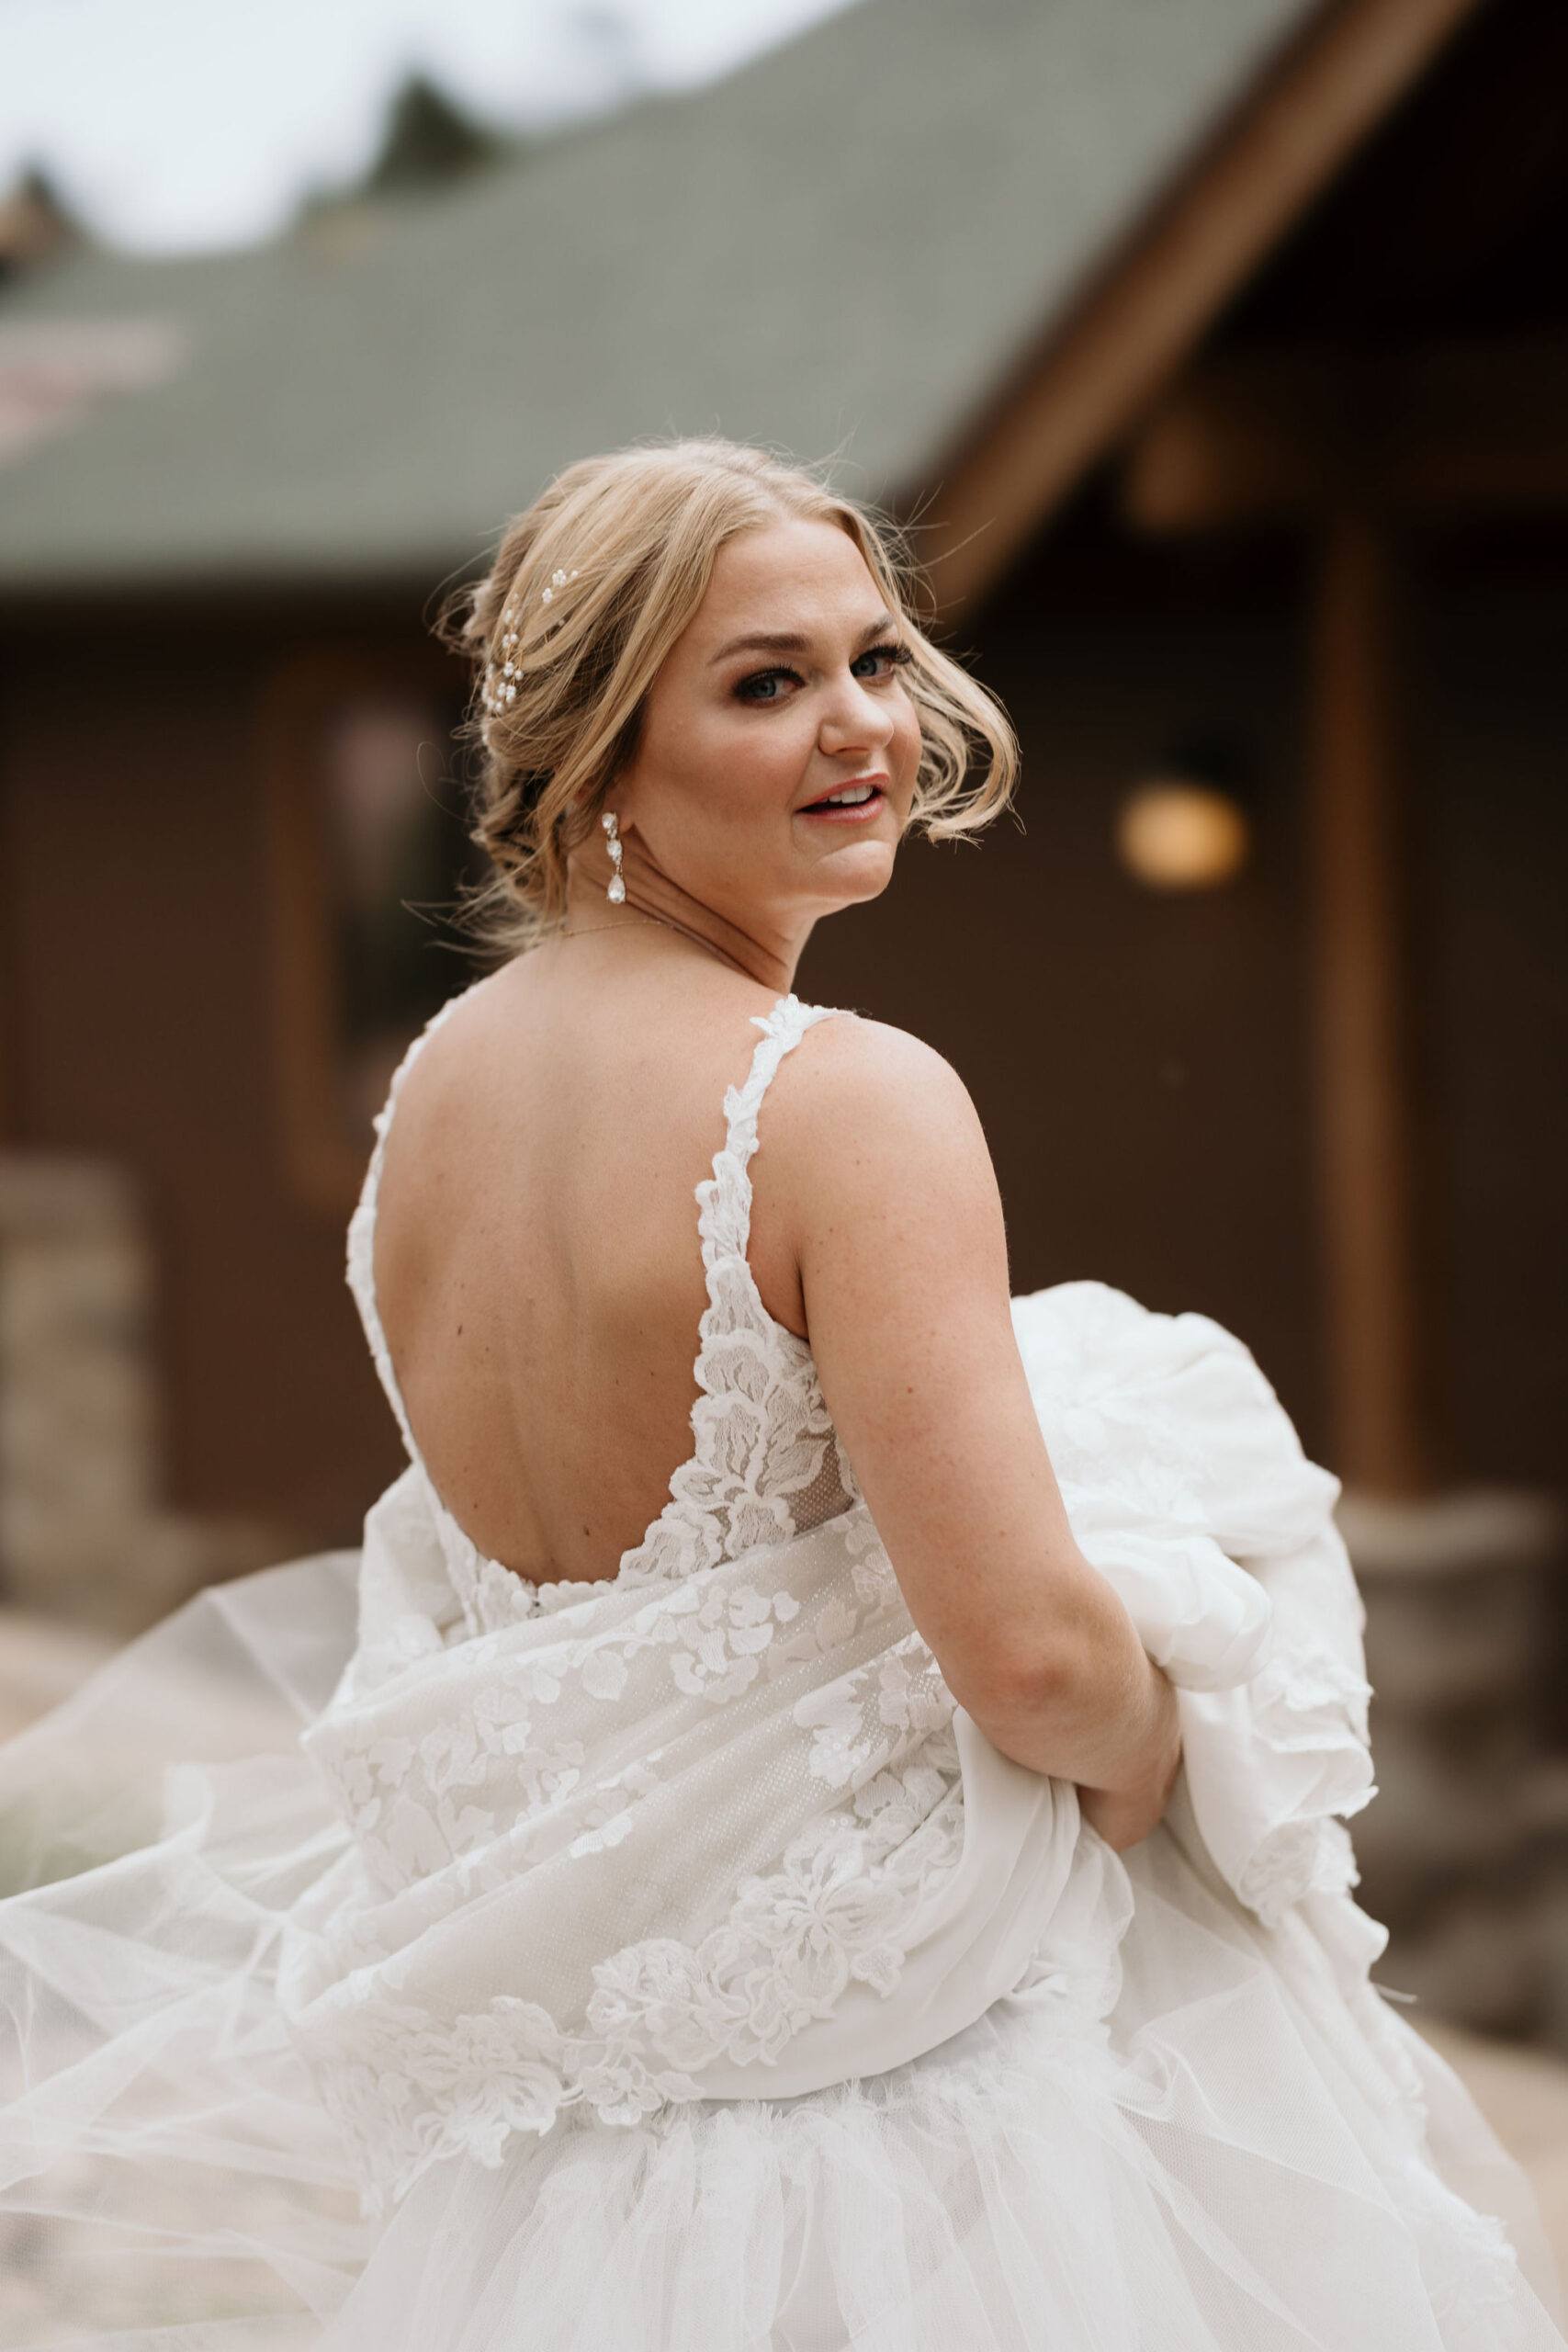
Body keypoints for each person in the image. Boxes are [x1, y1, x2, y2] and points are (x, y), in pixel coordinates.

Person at [0, 439, 1560, 2351]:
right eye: (764, 682)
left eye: (875, 659)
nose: (859, 727)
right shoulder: (844, 1098)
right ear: (594, 754)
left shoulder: (430, 1101)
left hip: (568, 2175)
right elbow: (1032, 1662)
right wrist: (1181, 1750)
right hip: (911, 2147)